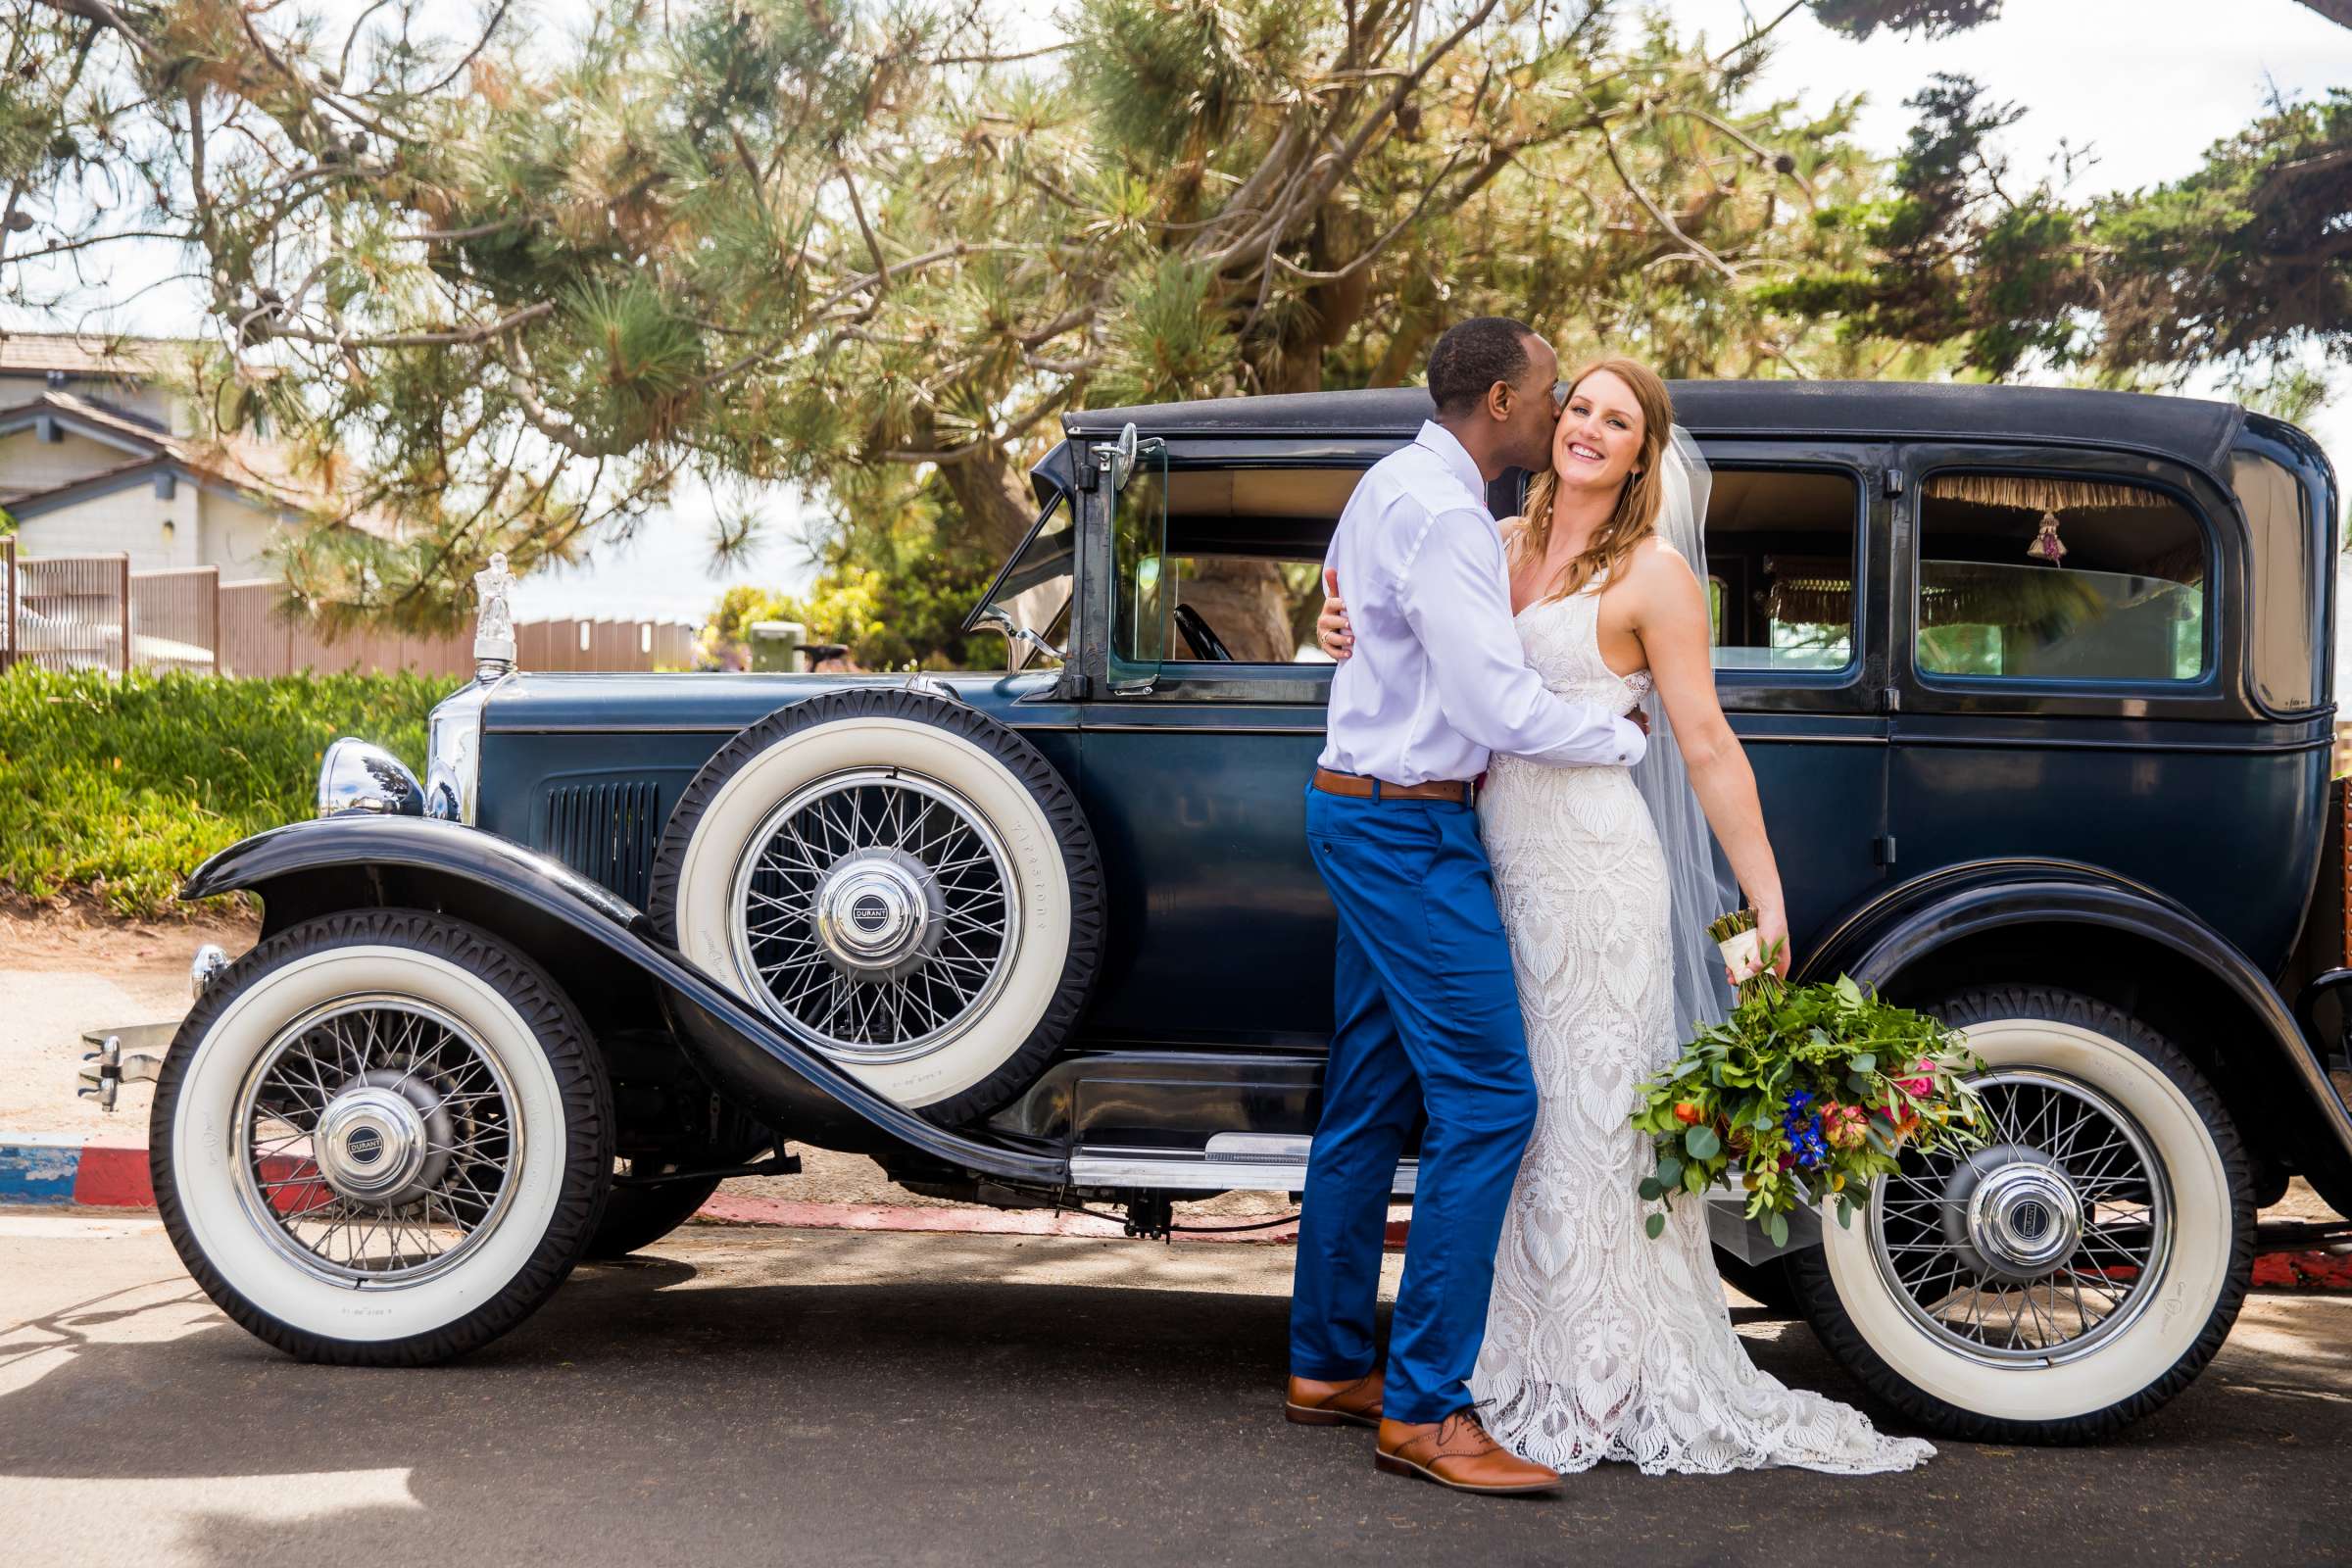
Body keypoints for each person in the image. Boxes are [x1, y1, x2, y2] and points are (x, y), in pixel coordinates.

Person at [1314, 355, 1935, 1477]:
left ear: (1645, 450)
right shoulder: (1486, 539)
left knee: (1593, 1110)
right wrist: (1337, 619)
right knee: (1520, 1113)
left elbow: (1702, 740)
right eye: (1579, 406)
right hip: (1489, 852)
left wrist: (1766, 894)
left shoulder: (1652, 577)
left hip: (1598, 866)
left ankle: (1605, 1361)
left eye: (1616, 417)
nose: (1588, 427)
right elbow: (1405, 626)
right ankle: (1502, 1353)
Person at [1286, 317, 1650, 1496]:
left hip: (1374, 807)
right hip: (1407, 825)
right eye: (1552, 394)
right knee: (1493, 1100)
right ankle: (1427, 1407)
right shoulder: (1446, 514)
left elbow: (1345, 608)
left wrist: (1336, 622)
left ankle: (1330, 1362)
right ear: (1502, 399)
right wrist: (1616, 737)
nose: (1561, 414)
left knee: (1370, 1092)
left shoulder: (1398, 482)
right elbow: (1494, 702)